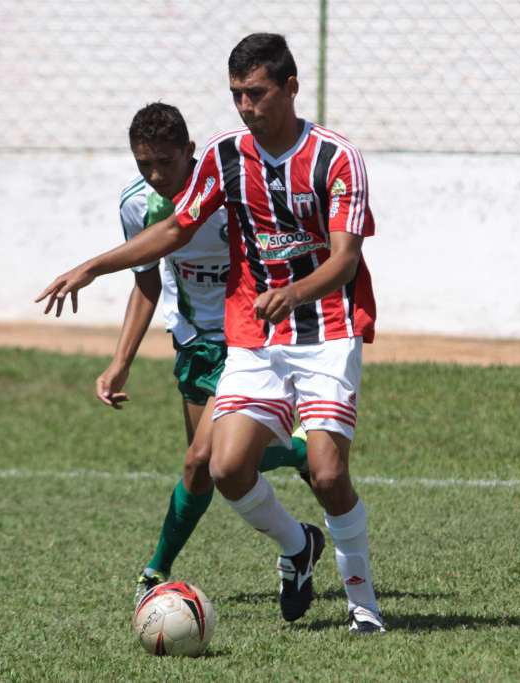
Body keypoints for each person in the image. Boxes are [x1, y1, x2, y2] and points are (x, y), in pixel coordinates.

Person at [36, 33, 384, 634]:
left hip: (324, 327)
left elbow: (345, 259)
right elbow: (175, 231)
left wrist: (295, 292)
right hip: (248, 332)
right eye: (236, 95)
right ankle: (297, 546)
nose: (246, 107)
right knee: (222, 467)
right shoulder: (226, 155)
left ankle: (364, 608)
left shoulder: (335, 156)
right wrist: (94, 265)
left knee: (328, 475)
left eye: (257, 93)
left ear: (291, 88)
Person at [99, 102, 309, 602]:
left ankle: (154, 570)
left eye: (165, 163)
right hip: (195, 344)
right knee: (216, 468)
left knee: (200, 459)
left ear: (190, 153)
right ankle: (303, 450)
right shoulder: (136, 206)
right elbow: (146, 282)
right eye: (143, 164)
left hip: (248, 337)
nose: (154, 176)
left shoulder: (228, 194)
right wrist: (120, 362)